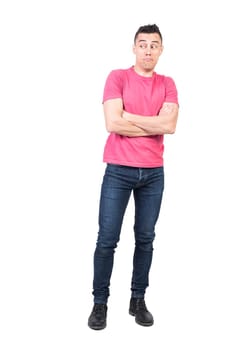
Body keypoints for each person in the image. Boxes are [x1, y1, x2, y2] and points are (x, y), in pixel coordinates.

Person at [88, 23, 179, 330]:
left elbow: (169, 126)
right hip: (119, 169)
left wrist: (130, 116)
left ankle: (137, 300)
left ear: (161, 50)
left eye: (154, 45)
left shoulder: (167, 83)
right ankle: (99, 303)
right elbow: (112, 123)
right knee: (107, 239)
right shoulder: (118, 77)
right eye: (143, 44)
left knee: (146, 238)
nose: (148, 50)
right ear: (134, 47)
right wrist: (151, 122)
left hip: (153, 173)